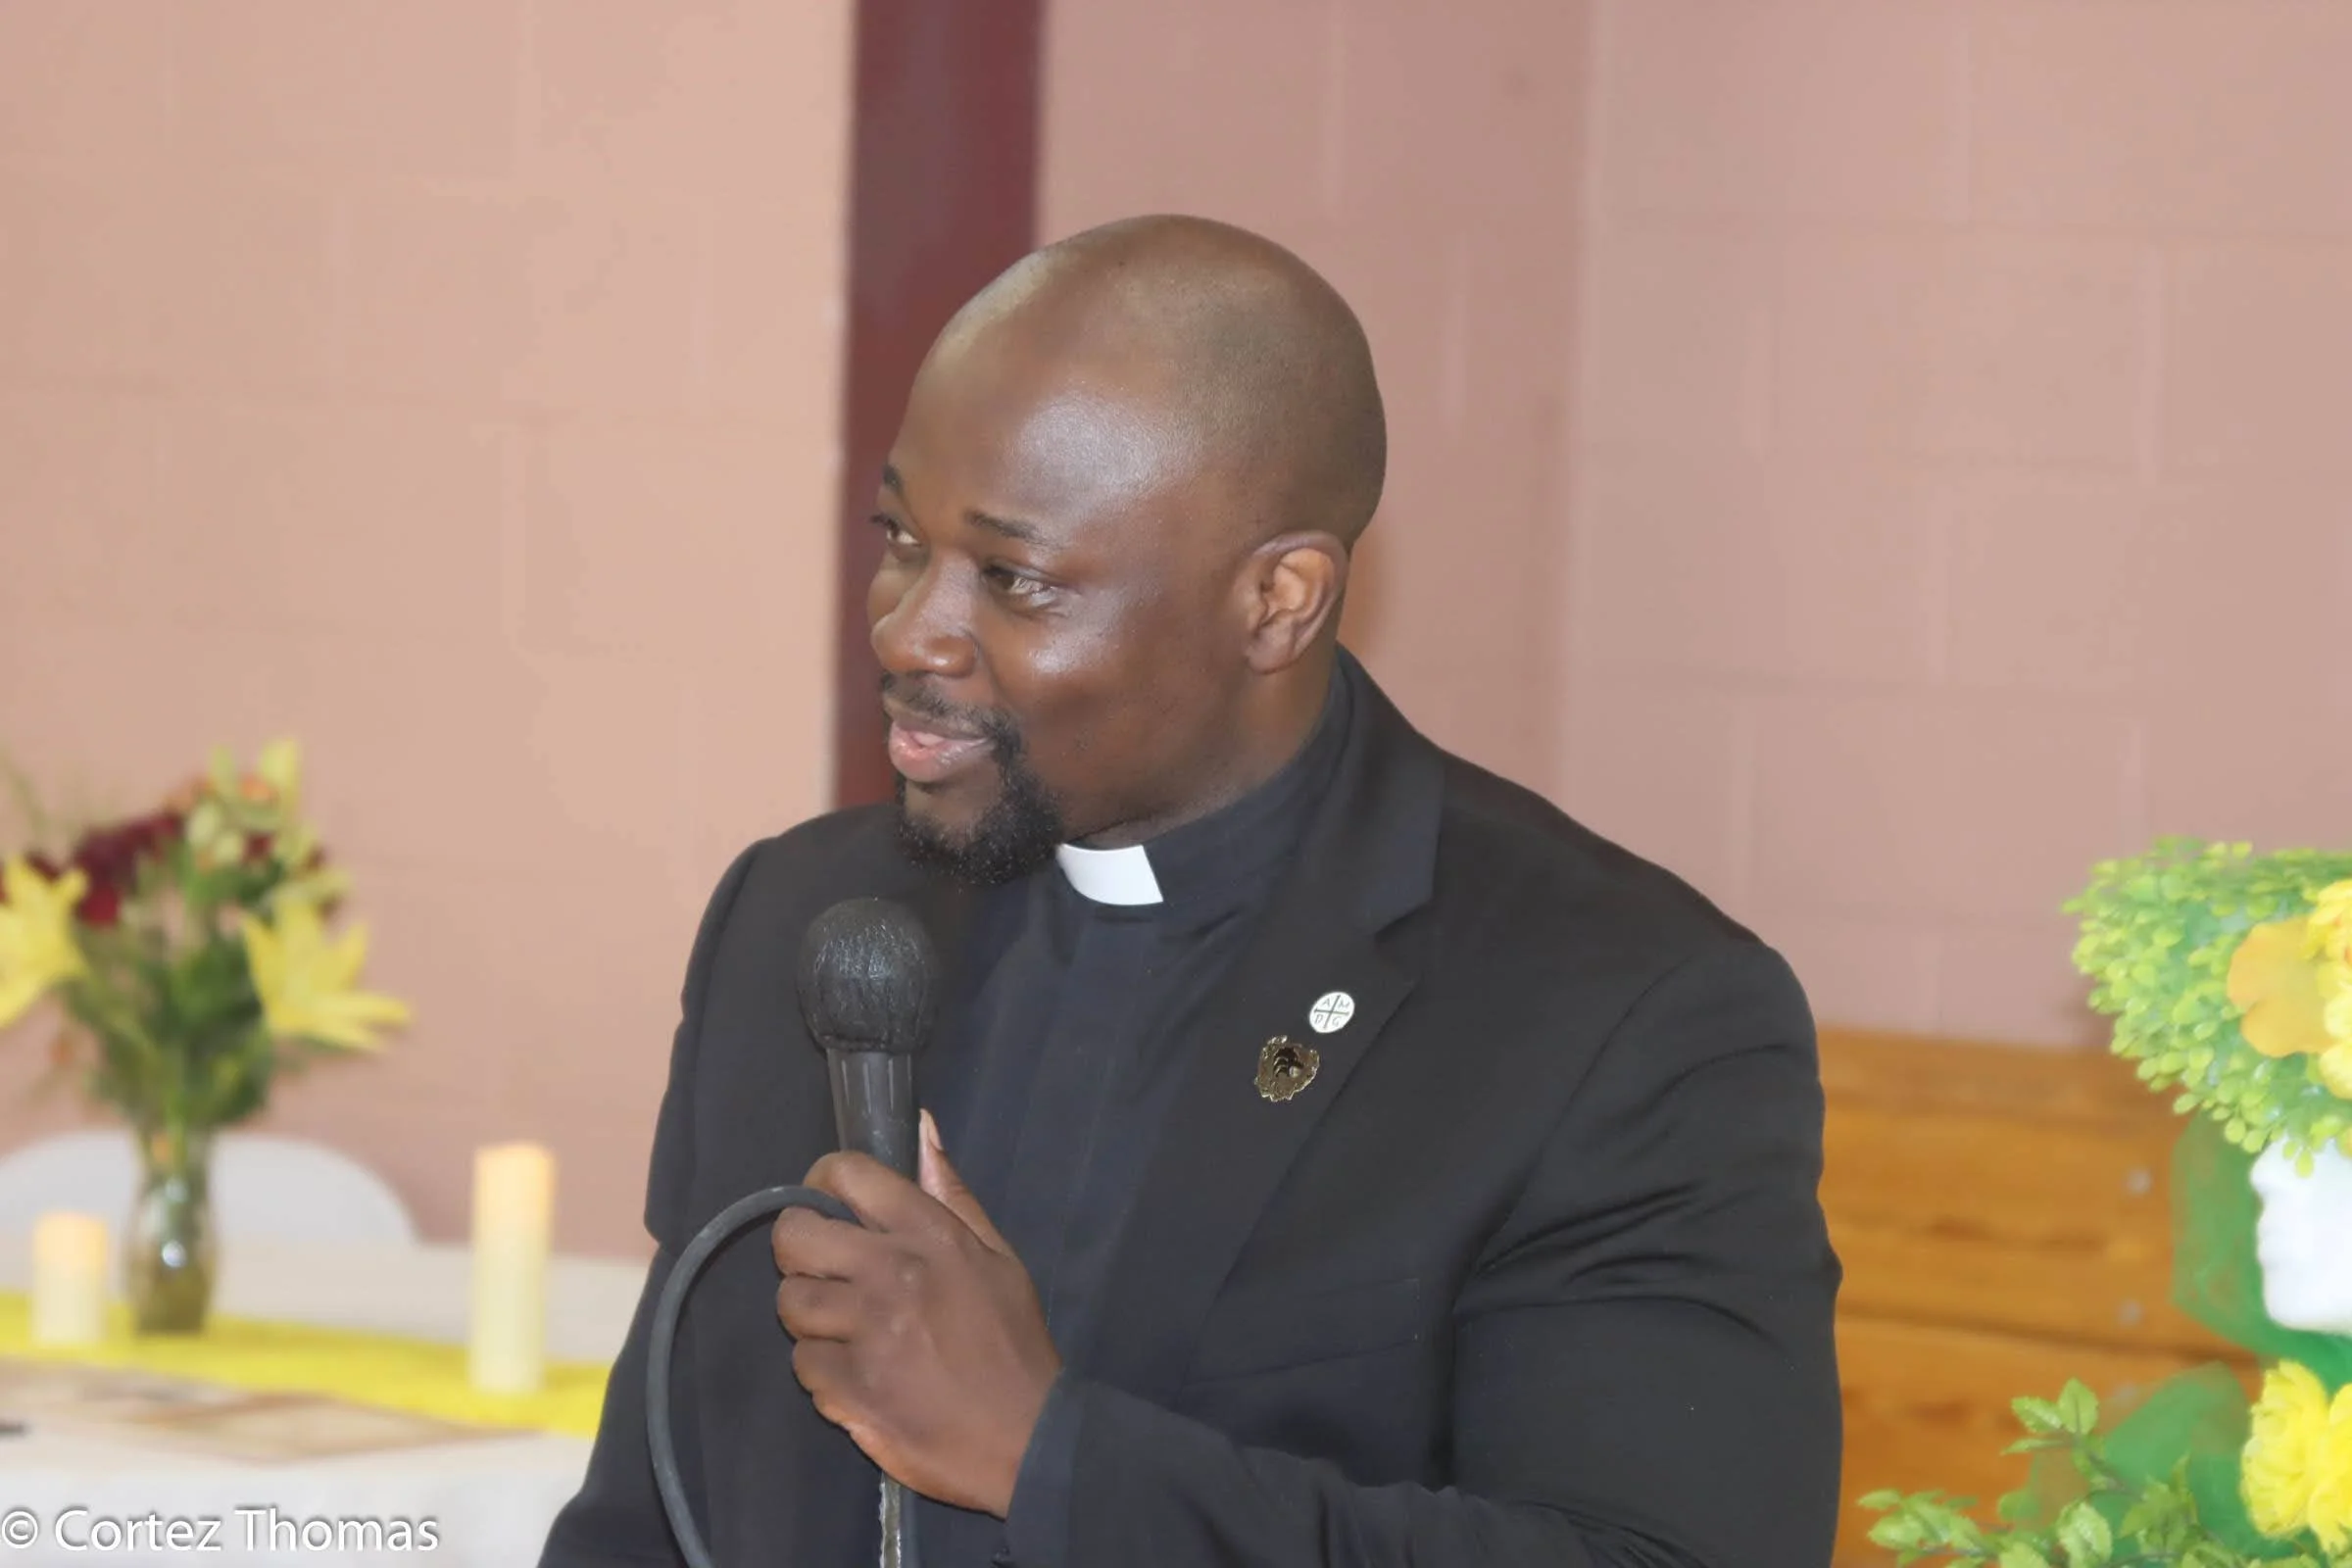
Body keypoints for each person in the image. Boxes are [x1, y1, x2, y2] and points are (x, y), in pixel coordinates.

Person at [537, 215, 1842, 1568]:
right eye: (899, 539)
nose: (907, 626)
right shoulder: (803, 916)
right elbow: (651, 1503)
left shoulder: (1610, 1014)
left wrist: (1044, 1458)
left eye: (1014, 579)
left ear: (1277, 600)